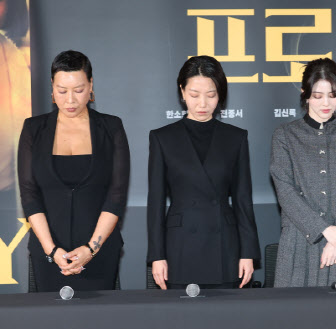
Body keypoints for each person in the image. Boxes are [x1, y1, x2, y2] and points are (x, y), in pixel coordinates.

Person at [17, 50, 130, 291]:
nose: (70, 100)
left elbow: (117, 194)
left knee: (100, 316)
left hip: (99, 253)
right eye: (62, 91)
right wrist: (52, 250)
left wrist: (91, 249)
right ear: (52, 87)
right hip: (48, 254)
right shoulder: (33, 129)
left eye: (78, 90)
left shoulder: (111, 127)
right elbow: (29, 194)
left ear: (91, 86)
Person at [147, 56, 260, 290]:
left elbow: (243, 200)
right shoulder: (162, 138)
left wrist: (247, 252)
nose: (202, 103)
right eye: (194, 94)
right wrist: (157, 255)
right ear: (182, 92)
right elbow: (155, 202)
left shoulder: (236, 137)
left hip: (225, 248)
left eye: (211, 95)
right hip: (179, 247)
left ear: (220, 95)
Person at [270, 58, 336, 287]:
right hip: (299, 240)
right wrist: (323, 229)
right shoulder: (285, 135)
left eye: (333, 95)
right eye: (318, 96)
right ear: (305, 94)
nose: (326, 103)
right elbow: (285, 190)